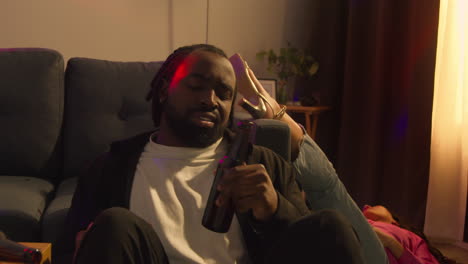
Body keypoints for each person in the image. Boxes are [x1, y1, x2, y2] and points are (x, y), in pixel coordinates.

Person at [56, 44, 365, 264]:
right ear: (164, 91)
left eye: (224, 93)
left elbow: (308, 246)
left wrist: (273, 209)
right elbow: (66, 250)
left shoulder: (264, 165)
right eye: (197, 86)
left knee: (332, 227)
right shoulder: (110, 167)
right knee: (114, 223)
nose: (211, 99)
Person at [233, 55, 389, 264]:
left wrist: (393, 240)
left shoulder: (408, 239)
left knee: (328, 190)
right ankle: (274, 110)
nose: (371, 207)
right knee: (328, 192)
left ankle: (275, 111)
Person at [363, 205, 456, 264]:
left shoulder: (413, 238)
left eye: (375, 206)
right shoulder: (359, 223)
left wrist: (392, 243)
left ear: (394, 222)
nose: (366, 206)